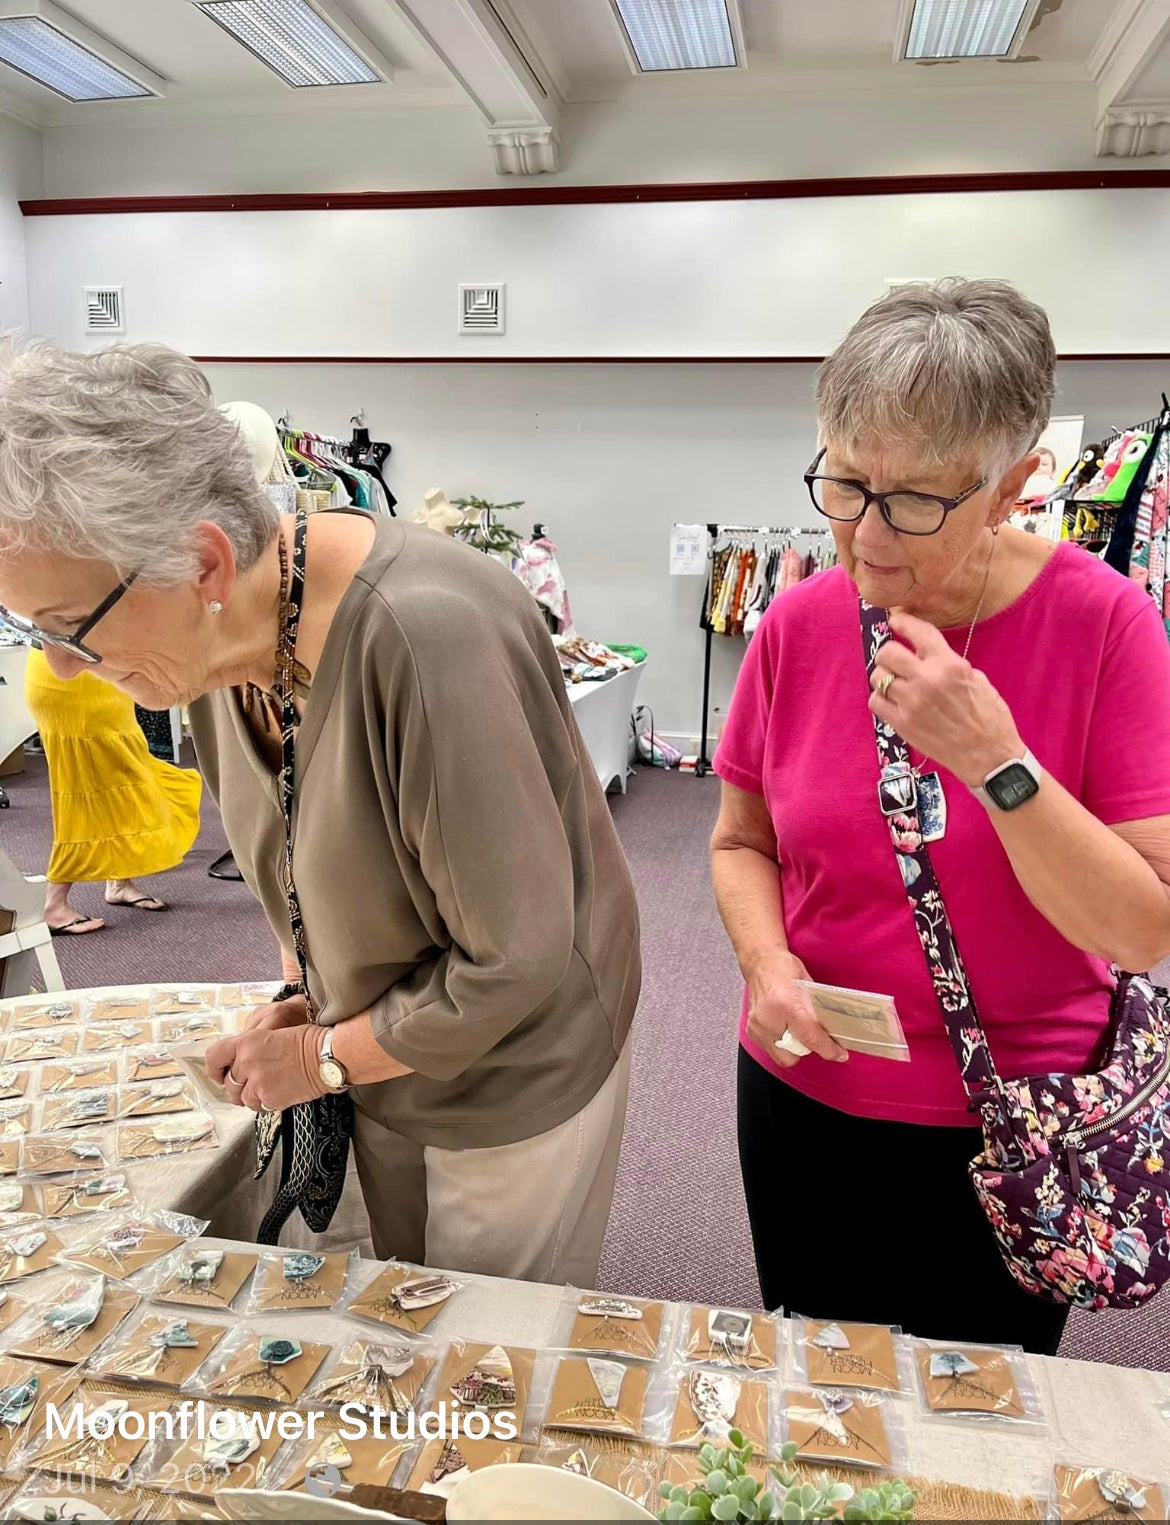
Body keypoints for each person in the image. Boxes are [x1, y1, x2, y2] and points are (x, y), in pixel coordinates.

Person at [0, 337, 640, 1285]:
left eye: (69, 630)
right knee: (380, 1314)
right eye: (32, 631)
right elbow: (316, 868)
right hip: (394, 1047)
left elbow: (513, 961)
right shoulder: (214, 652)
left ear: (203, 563)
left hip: (514, 1070)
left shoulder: (426, 638)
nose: (57, 666)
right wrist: (307, 1007)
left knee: (477, 1351)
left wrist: (326, 1058)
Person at [711, 278, 1170, 1355]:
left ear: (1018, 484)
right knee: (815, 1392)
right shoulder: (797, 623)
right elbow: (740, 843)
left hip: (1013, 1127)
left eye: (916, 499)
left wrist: (995, 759)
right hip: (802, 1097)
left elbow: (1144, 930)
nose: (867, 534)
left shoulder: (1109, 629)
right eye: (846, 481)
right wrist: (765, 963)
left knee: (981, 1421)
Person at [23, 647, 201, 934]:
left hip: (102, 674)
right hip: (72, 675)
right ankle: (53, 905)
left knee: (123, 778)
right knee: (82, 790)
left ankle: (119, 882)